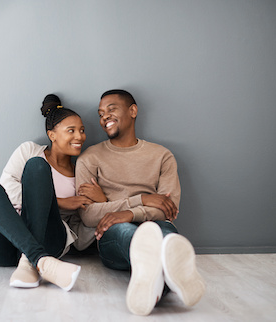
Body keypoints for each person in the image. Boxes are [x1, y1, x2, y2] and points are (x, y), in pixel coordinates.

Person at [76, 89, 205, 314]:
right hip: (113, 234)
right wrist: (143, 200)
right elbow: (88, 215)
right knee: (125, 231)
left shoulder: (162, 156)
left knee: (164, 233)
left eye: (111, 109)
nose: (104, 116)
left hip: (154, 224)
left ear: (133, 111)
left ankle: (154, 282)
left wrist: (128, 212)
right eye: (100, 113)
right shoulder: (90, 158)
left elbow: (168, 210)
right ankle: (169, 274)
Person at [0, 94, 99, 291]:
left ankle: (31, 258)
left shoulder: (81, 173)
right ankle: (40, 261)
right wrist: (59, 202)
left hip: (48, 239)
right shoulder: (29, 150)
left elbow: (81, 226)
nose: (80, 137)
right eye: (71, 130)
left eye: (82, 131)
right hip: (4, 246)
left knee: (38, 168)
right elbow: (5, 189)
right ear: (52, 134)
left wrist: (102, 202)